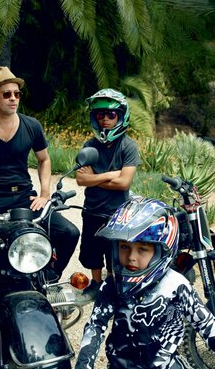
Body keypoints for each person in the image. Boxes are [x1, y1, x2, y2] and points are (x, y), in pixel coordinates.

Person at [75, 197, 215, 369]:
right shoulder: (112, 284)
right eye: (124, 247)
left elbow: (208, 327)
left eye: (143, 249)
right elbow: (96, 325)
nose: (132, 257)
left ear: (161, 250)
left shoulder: (176, 286)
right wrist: (83, 364)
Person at [0, 66, 79, 278]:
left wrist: (45, 194)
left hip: (23, 196)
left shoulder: (31, 126)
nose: (13, 99)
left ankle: (49, 276)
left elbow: (44, 160)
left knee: (69, 233)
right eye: (6, 94)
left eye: (17, 94)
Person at [75, 88, 141, 300]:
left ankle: (112, 286)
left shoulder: (128, 146)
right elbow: (81, 179)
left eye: (111, 115)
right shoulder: (90, 145)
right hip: (92, 210)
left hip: (117, 213)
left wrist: (96, 177)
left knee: (115, 255)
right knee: (91, 252)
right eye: (100, 115)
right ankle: (96, 283)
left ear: (120, 116)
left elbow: (124, 183)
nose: (105, 119)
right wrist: (111, 174)